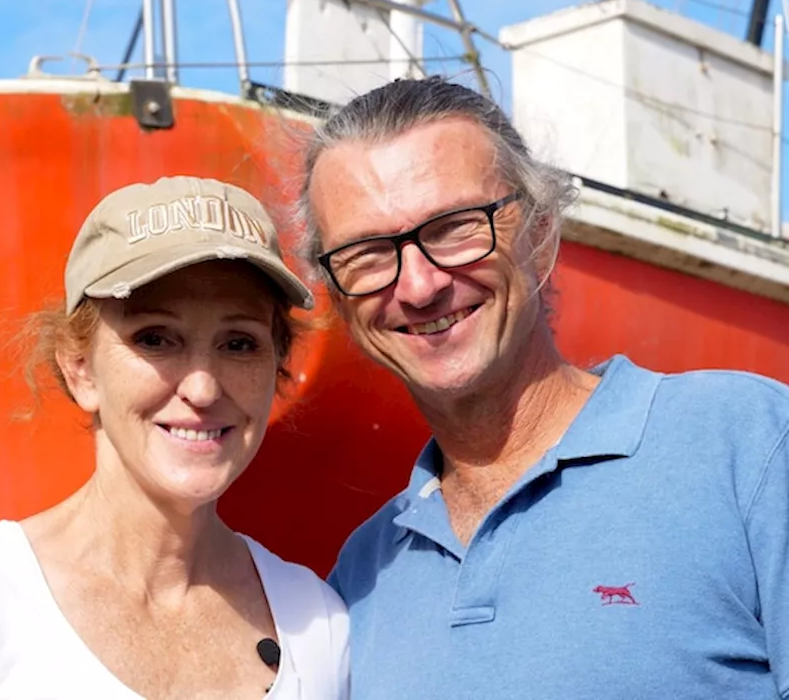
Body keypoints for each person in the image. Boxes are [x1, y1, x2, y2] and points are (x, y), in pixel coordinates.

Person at [294, 75, 789, 700]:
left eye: (453, 227)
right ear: (337, 298)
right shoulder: (361, 577)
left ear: (540, 229)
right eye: (367, 253)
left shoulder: (748, 447)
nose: (419, 286)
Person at [0, 176, 351, 700]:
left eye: (239, 343)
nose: (203, 387)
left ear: (276, 370)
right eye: (156, 339)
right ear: (81, 370)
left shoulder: (318, 625)